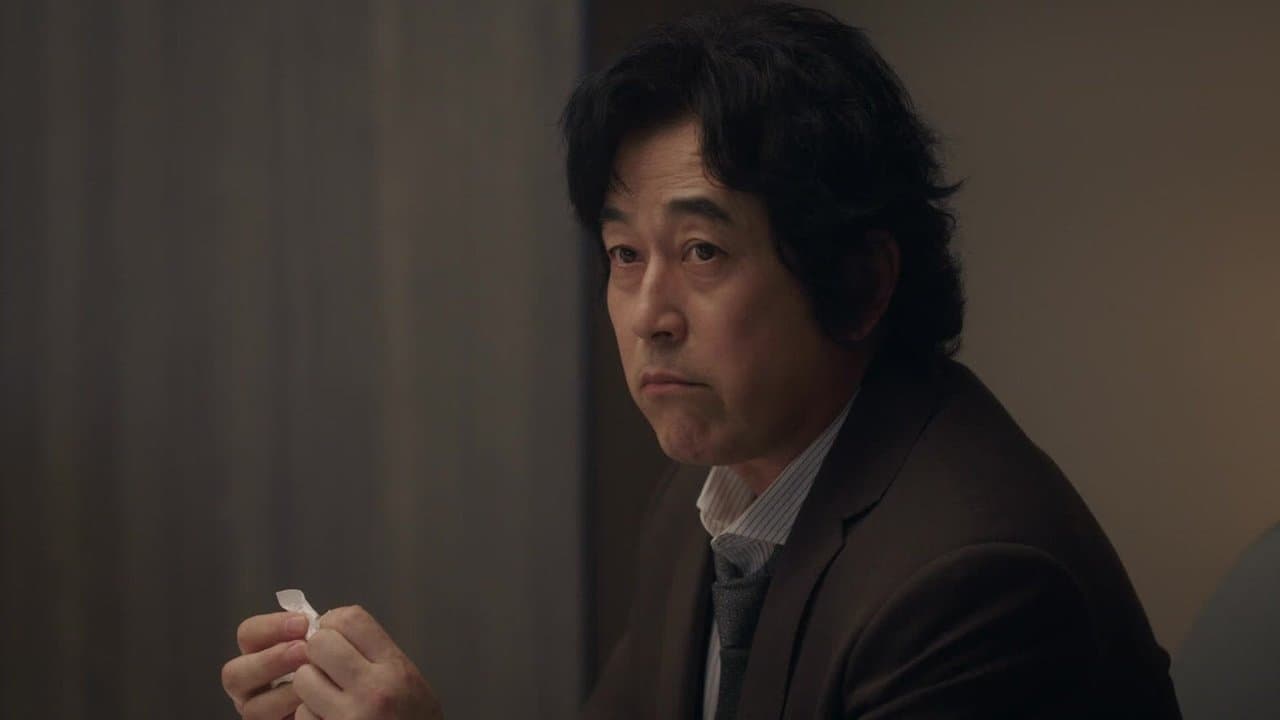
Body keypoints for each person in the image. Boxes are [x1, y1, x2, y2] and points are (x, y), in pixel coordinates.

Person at [221, 3, 1183, 718]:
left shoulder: (973, 585)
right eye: (624, 255)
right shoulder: (711, 498)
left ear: (858, 282)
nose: (649, 315)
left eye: (702, 252)